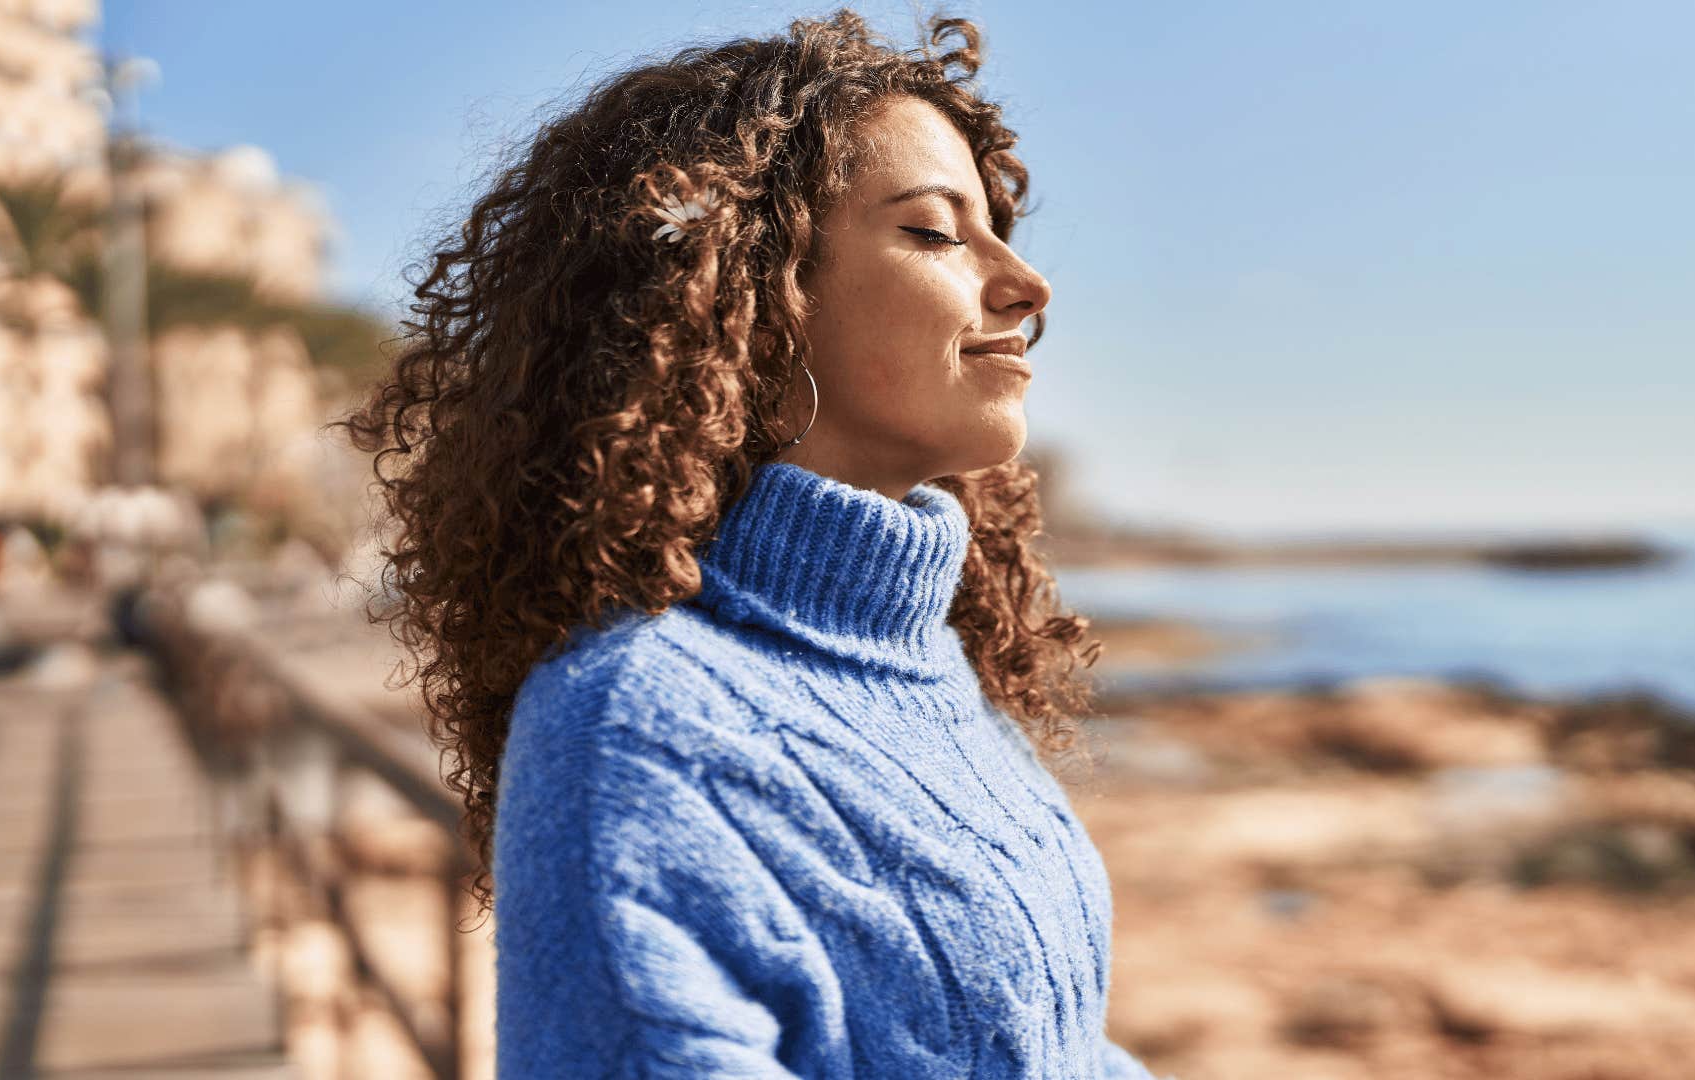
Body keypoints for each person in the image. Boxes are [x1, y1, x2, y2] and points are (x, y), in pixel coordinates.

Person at [342, 9, 1166, 1077]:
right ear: (753, 303)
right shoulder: (639, 726)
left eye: (1000, 228)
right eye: (932, 231)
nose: (1024, 282)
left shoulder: (927, 661)